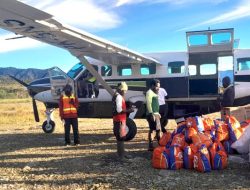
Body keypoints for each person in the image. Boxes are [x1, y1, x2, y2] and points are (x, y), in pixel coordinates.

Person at [112, 82, 134, 157]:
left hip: (118, 119)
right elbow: (119, 110)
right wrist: (129, 110)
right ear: (121, 90)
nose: (125, 92)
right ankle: (121, 155)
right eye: (125, 90)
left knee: (120, 137)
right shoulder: (119, 97)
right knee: (121, 137)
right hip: (120, 119)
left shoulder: (116, 96)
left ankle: (121, 153)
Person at [146, 79, 161, 151]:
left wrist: (158, 113)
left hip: (156, 114)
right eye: (157, 86)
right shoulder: (149, 92)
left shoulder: (154, 93)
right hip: (152, 114)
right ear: (152, 86)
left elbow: (155, 105)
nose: (158, 88)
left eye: (159, 86)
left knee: (158, 129)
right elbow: (149, 104)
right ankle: (151, 145)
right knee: (153, 130)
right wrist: (152, 114)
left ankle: (159, 144)